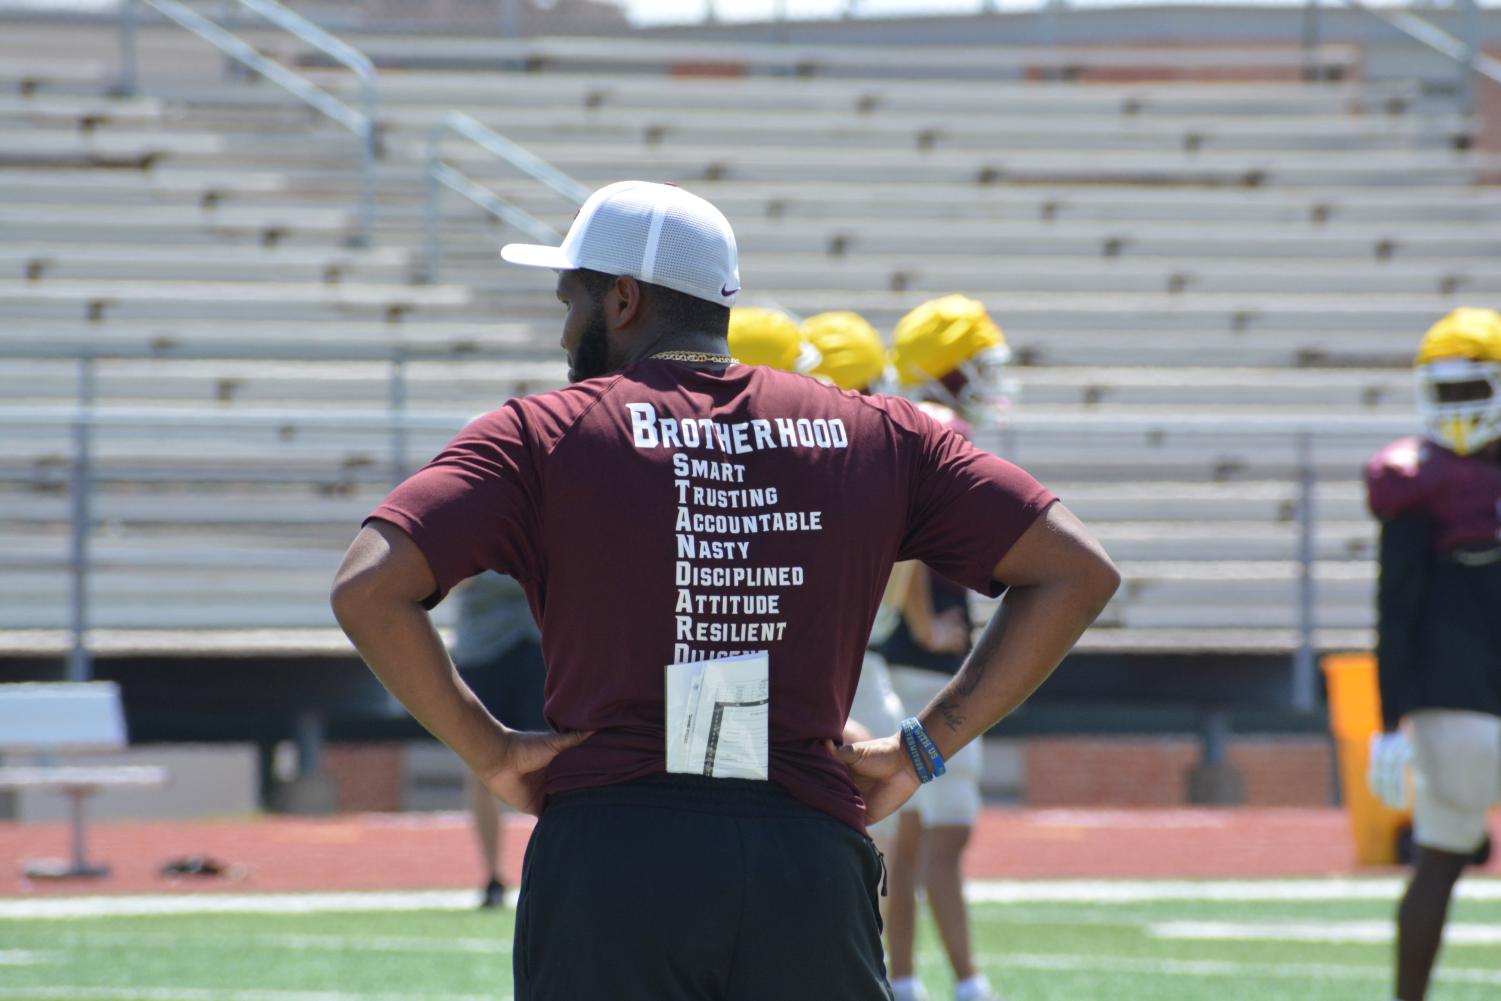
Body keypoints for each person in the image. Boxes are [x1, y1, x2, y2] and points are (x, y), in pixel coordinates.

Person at [330, 180, 1119, 1001]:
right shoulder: (875, 432)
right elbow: (1077, 570)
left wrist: (490, 751)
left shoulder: (541, 431)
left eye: (572, 300)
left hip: (612, 857)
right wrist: (924, 749)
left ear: (624, 299)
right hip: (806, 855)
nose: (565, 328)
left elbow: (368, 586)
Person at [881, 296, 1019, 1001]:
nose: (988, 377)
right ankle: (913, 978)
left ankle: (956, 978)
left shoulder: (921, 430)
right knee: (908, 839)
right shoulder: (921, 431)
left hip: (932, 659)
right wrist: (925, 618)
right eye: (974, 366)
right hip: (908, 659)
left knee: (940, 835)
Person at [1365, 306, 1501, 1001]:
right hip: (1464, 705)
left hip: (1451, 709)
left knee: (1440, 864)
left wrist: (1390, 717)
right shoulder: (1420, 480)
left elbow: (1396, 608)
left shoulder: (1412, 480)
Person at [448, 570, 548, 908]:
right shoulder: (467, 514)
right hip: (482, 650)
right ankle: (492, 875)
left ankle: (551, 869)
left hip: (540, 644)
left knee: (553, 764)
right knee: (480, 767)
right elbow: (450, 575)